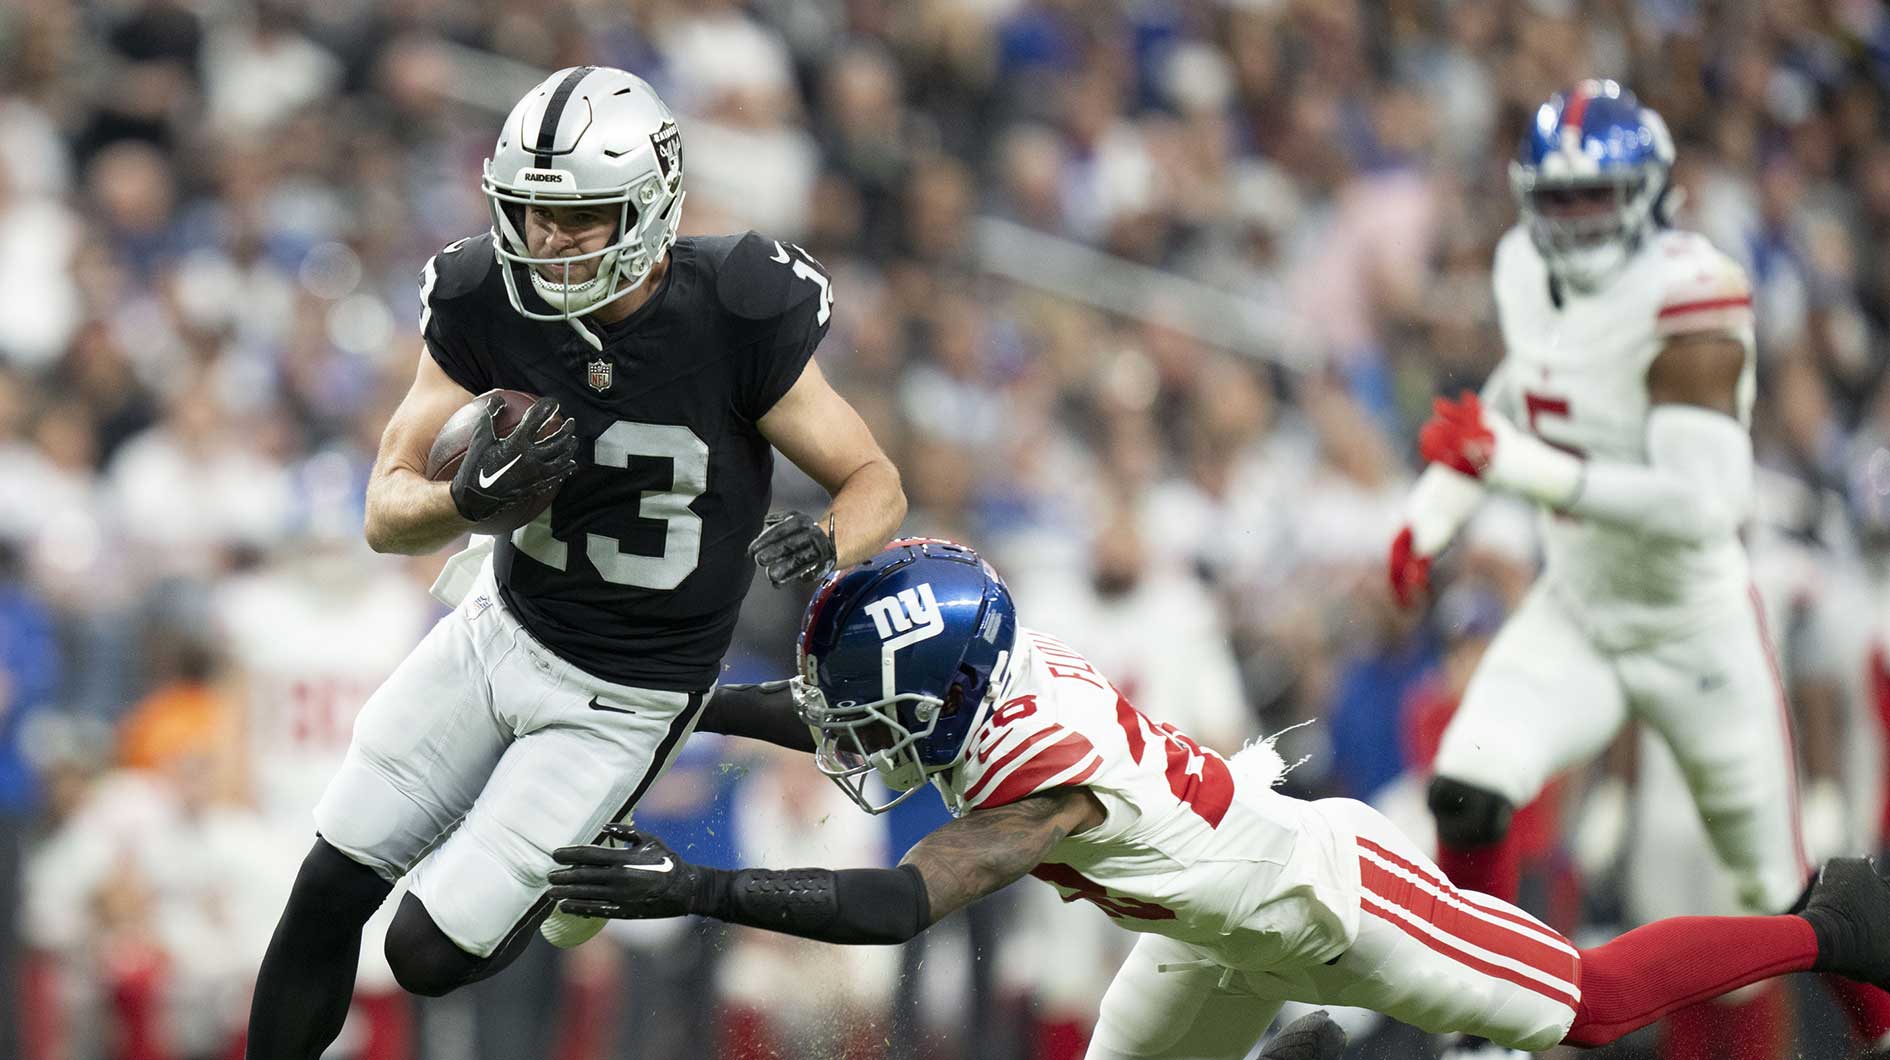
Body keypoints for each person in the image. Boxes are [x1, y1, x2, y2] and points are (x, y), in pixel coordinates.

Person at [544, 539, 1890, 1059]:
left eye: (882, 715)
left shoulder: (1035, 771)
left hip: (1321, 898)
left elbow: (906, 899)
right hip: (1204, 923)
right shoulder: (986, 667)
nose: (857, 740)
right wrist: (686, 702)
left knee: (1587, 1011)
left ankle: (1832, 924)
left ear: (945, 695)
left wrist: (700, 885)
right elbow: (848, 709)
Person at [244, 66, 905, 1060]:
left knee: (426, 952)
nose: (548, 241)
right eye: (531, 213)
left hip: (628, 695)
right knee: (330, 883)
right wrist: (464, 501)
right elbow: (387, 513)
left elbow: (874, 479)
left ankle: (575, 892)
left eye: (581, 215)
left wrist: (829, 540)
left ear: (651, 205)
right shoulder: (481, 296)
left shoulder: (735, 305)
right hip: (498, 628)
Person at [1386, 79, 1890, 1050]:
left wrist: (1522, 470)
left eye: (1594, 197)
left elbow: (1704, 506)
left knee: (1780, 886)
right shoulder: (1521, 269)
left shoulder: (1693, 297)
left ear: (1652, 194)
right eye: (1556, 197)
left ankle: (1880, 1029)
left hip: (1688, 622)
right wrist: (1433, 511)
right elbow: (1522, 388)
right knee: (1467, 787)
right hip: (1576, 604)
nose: (1572, 221)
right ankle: (1478, 1028)